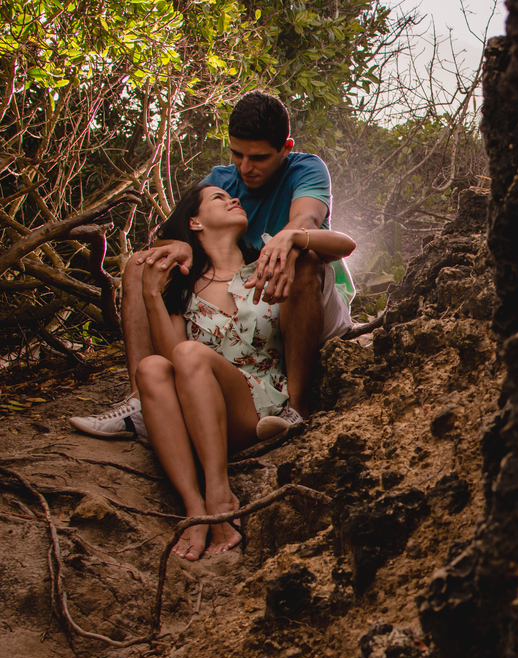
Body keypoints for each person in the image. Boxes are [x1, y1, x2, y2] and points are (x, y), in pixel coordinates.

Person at [69, 90, 354, 440]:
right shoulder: (222, 180)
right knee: (140, 264)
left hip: (311, 300)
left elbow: (307, 218)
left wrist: (288, 238)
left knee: (302, 258)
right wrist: (179, 245)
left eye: (259, 157)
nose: (246, 168)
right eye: (237, 154)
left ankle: (297, 408)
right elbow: (174, 232)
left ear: (285, 148)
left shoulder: (305, 168)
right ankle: (140, 402)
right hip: (250, 300)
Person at [139, 181, 355, 560]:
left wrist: (293, 236)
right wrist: (152, 294)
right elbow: (171, 363)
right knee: (151, 367)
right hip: (211, 414)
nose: (234, 198)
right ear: (194, 222)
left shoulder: (269, 262)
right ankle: (195, 507)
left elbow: (345, 245)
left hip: (265, 409)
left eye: (231, 195)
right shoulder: (184, 291)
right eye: (219, 198)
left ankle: (219, 493)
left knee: (189, 353)